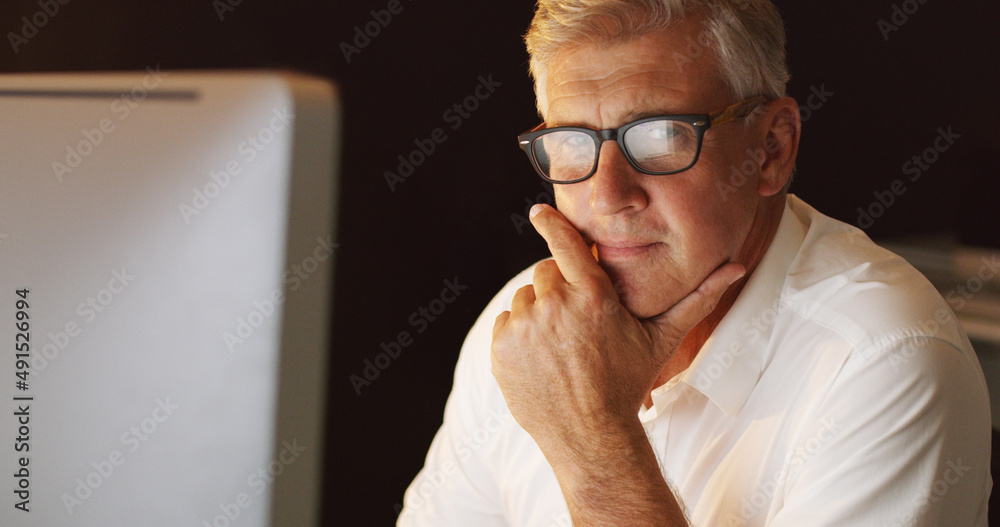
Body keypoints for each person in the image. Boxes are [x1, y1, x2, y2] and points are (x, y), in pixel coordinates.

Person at [399, 1, 992, 525]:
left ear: (771, 149)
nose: (607, 197)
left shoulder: (885, 357)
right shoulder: (525, 325)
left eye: (659, 137)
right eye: (573, 142)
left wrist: (591, 439)